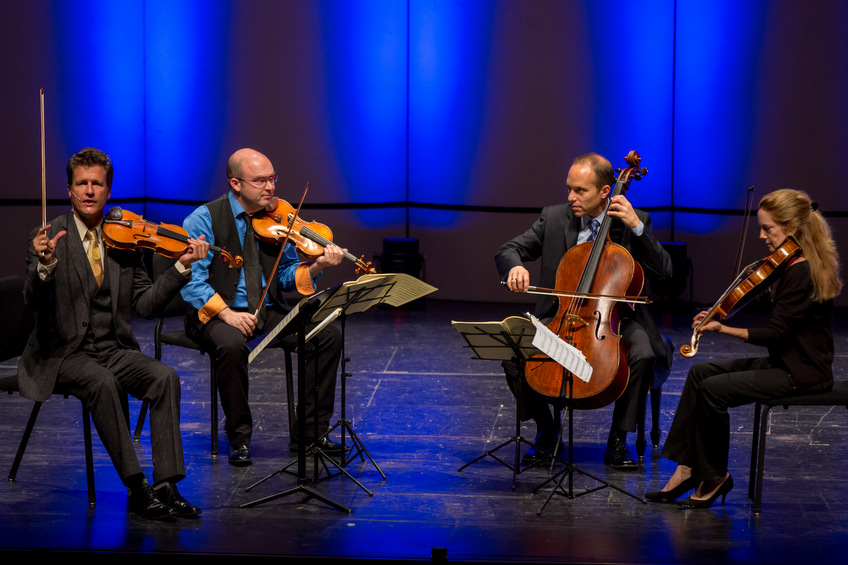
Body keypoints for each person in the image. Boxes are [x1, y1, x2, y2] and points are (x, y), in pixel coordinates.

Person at [20, 147, 209, 519]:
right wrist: (44, 267)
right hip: (63, 353)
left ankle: (166, 484)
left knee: (165, 377)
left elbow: (145, 304)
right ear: (69, 190)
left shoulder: (122, 240)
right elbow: (33, 300)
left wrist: (181, 269)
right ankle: (137, 487)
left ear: (108, 192)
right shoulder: (48, 236)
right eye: (82, 184)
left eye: (97, 184)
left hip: (113, 348)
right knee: (102, 383)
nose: (89, 191)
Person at [646, 188, 842, 508]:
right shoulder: (790, 265)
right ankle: (687, 468)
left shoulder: (800, 272)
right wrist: (721, 308)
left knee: (713, 390)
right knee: (700, 373)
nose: (762, 236)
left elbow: (776, 334)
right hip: (788, 364)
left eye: (768, 228)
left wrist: (724, 328)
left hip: (802, 373)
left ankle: (715, 475)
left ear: (793, 227)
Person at [495, 152, 673, 469]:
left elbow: (666, 275)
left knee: (643, 355)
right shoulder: (554, 217)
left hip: (615, 318)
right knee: (513, 352)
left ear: (606, 191)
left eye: (580, 191)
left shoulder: (636, 219)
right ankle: (548, 432)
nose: (571, 197)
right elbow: (510, 249)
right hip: (563, 314)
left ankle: (618, 440)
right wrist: (516, 268)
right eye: (569, 188)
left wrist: (635, 227)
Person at [181, 147, 344, 467]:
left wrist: (316, 267)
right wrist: (227, 313)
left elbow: (284, 276)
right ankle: (239, 438)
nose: (270, 187)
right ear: (236, 184)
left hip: (264, 309)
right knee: (230, 345)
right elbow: (192, 282)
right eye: (260, 181)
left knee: (328, 334)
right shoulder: (204, 218)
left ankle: (310, 434)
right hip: (214, 312)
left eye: (273, 178)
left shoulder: (278, 219)